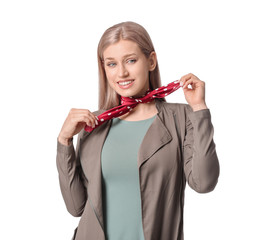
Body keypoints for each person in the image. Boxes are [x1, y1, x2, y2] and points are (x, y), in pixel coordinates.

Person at [56, 21, 219, 240]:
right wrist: (64, 141)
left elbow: (204, 182)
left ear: (151, 61)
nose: (122, 73)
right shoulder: (95, 123)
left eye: (130, 61)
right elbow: (76, 207)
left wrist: (199, 108)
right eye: (111, 64)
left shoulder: (182, 118)